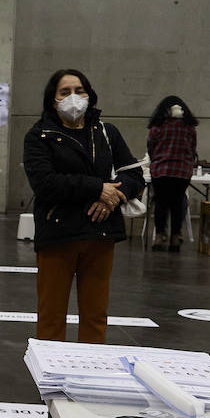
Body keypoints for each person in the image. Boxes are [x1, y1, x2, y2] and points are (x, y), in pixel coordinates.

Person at [23, 69, 144, 343]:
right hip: (58, 235)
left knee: (96, 317)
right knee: (51, 317)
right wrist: (97, 188)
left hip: (100, 235)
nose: (73, 97)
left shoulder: (106, 132)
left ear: (89, 95)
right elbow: (45, 184)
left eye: (79, 90)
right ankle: (51, 378)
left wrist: (114, 195)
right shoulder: (39, 136)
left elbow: (134, 174)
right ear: (53, 100)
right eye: (64, 92)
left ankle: (89, 377)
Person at [145, 96, 200, 252]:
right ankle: (176, 236)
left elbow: (151, 147)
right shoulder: (189, 128)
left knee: (161, 203)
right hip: (182, 171)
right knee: (177, 203)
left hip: (161, 170)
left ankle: (160, 236)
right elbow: (193, 148)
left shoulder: (157, 127)